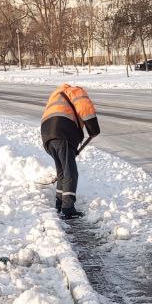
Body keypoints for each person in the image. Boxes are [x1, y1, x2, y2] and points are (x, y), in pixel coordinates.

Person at [40, 83, 100, 220]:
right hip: (62, 131)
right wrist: (93, 128)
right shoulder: (76, 91)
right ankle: (68, 208)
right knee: (70, 171)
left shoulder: (57, 93)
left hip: (47, 135)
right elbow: (85, 108)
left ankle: (60, 203)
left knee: (62, 172)